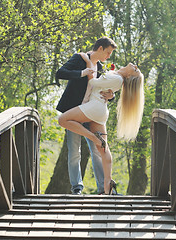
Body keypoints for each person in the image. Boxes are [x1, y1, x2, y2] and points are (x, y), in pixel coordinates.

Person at [58, 52, 145, 194]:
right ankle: (106, 186)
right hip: (91, 109)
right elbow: (104, 85)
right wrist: (111, 94)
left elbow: (94, 82)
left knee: (64, 121)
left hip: (91, 109)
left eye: (135, 69)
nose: (134, 65)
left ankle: (99, 185)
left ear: (129, 76)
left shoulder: (115, 76)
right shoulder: (110, 71)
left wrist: (87, 63)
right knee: (100, 149)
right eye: (108, 52)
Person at [56, 37, 117, 195]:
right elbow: (60, 73)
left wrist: (111, 96)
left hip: (91, 114)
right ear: (101, 48)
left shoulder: (101, 66)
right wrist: (82, 73)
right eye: (108, 52)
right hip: (74, 113)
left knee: (98, 149)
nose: (108, 56)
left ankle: (103, 189)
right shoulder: (79, 59)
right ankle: (77, 188)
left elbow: (103, 88)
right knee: (74, 151)